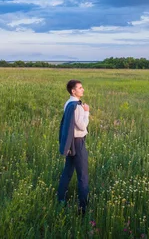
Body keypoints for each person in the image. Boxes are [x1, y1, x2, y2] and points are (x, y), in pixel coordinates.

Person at [58, 79, 90, 213]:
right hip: (77, 142)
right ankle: (83, 208)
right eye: (80, 88)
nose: (82, 89)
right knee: (83, 175)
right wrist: (87, 112)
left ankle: (61, 200)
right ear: (73, 91)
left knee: (67, 172)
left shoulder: (68, 103)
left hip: (70, 142)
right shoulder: (76, 106)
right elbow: (82, 125)